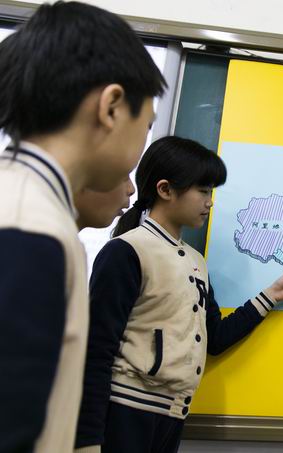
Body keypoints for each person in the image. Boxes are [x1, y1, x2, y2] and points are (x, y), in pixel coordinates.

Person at [75, 136, 283, 453]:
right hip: (124, 412)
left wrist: (271, 295)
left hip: (172, 416)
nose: (209, 202)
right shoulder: (127, 251)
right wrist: (87, 439)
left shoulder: (195, 260)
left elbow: (215, 338)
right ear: (165, 190)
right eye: (203, 191)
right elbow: (97, 349)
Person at [0, 2, 165, 452]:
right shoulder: (27, 227)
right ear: (111, 106)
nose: (142, 145)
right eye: (146, 125)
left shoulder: (30, 206)